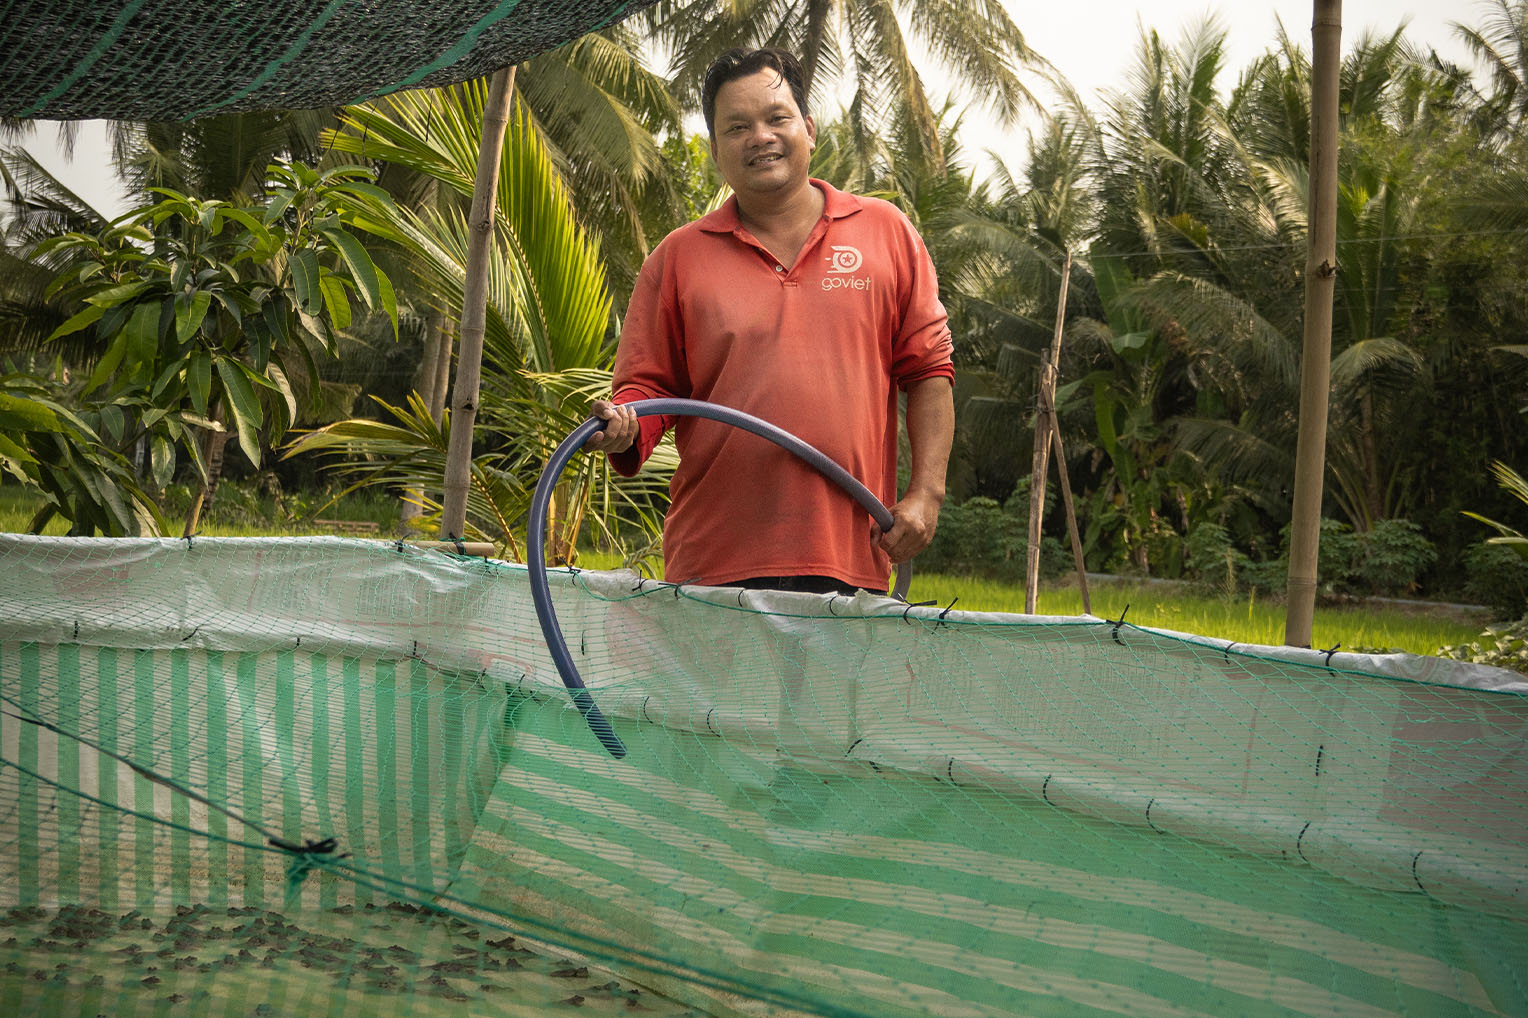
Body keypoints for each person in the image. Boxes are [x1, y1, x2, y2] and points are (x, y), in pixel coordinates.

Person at [585, 47, 954, 596]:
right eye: (737, 127)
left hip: (852, 551)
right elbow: (649, 389)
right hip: (715, 560)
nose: (760, 137)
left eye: (776, 118)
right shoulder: (677, 258)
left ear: (807, 128)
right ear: (715, 151)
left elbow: (929, 371)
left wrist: (926, 494)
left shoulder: (886, 232)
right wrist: (627, 425)